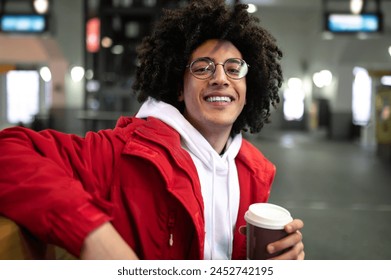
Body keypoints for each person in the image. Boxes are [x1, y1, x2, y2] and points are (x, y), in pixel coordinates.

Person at [0, 0, 304, 260]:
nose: (220, 78)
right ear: (179, 88)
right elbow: (7, 153)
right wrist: (91, 233)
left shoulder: (253, 171)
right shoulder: (120, 154)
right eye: (202, 67)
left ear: (249, 87)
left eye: (234, 68)